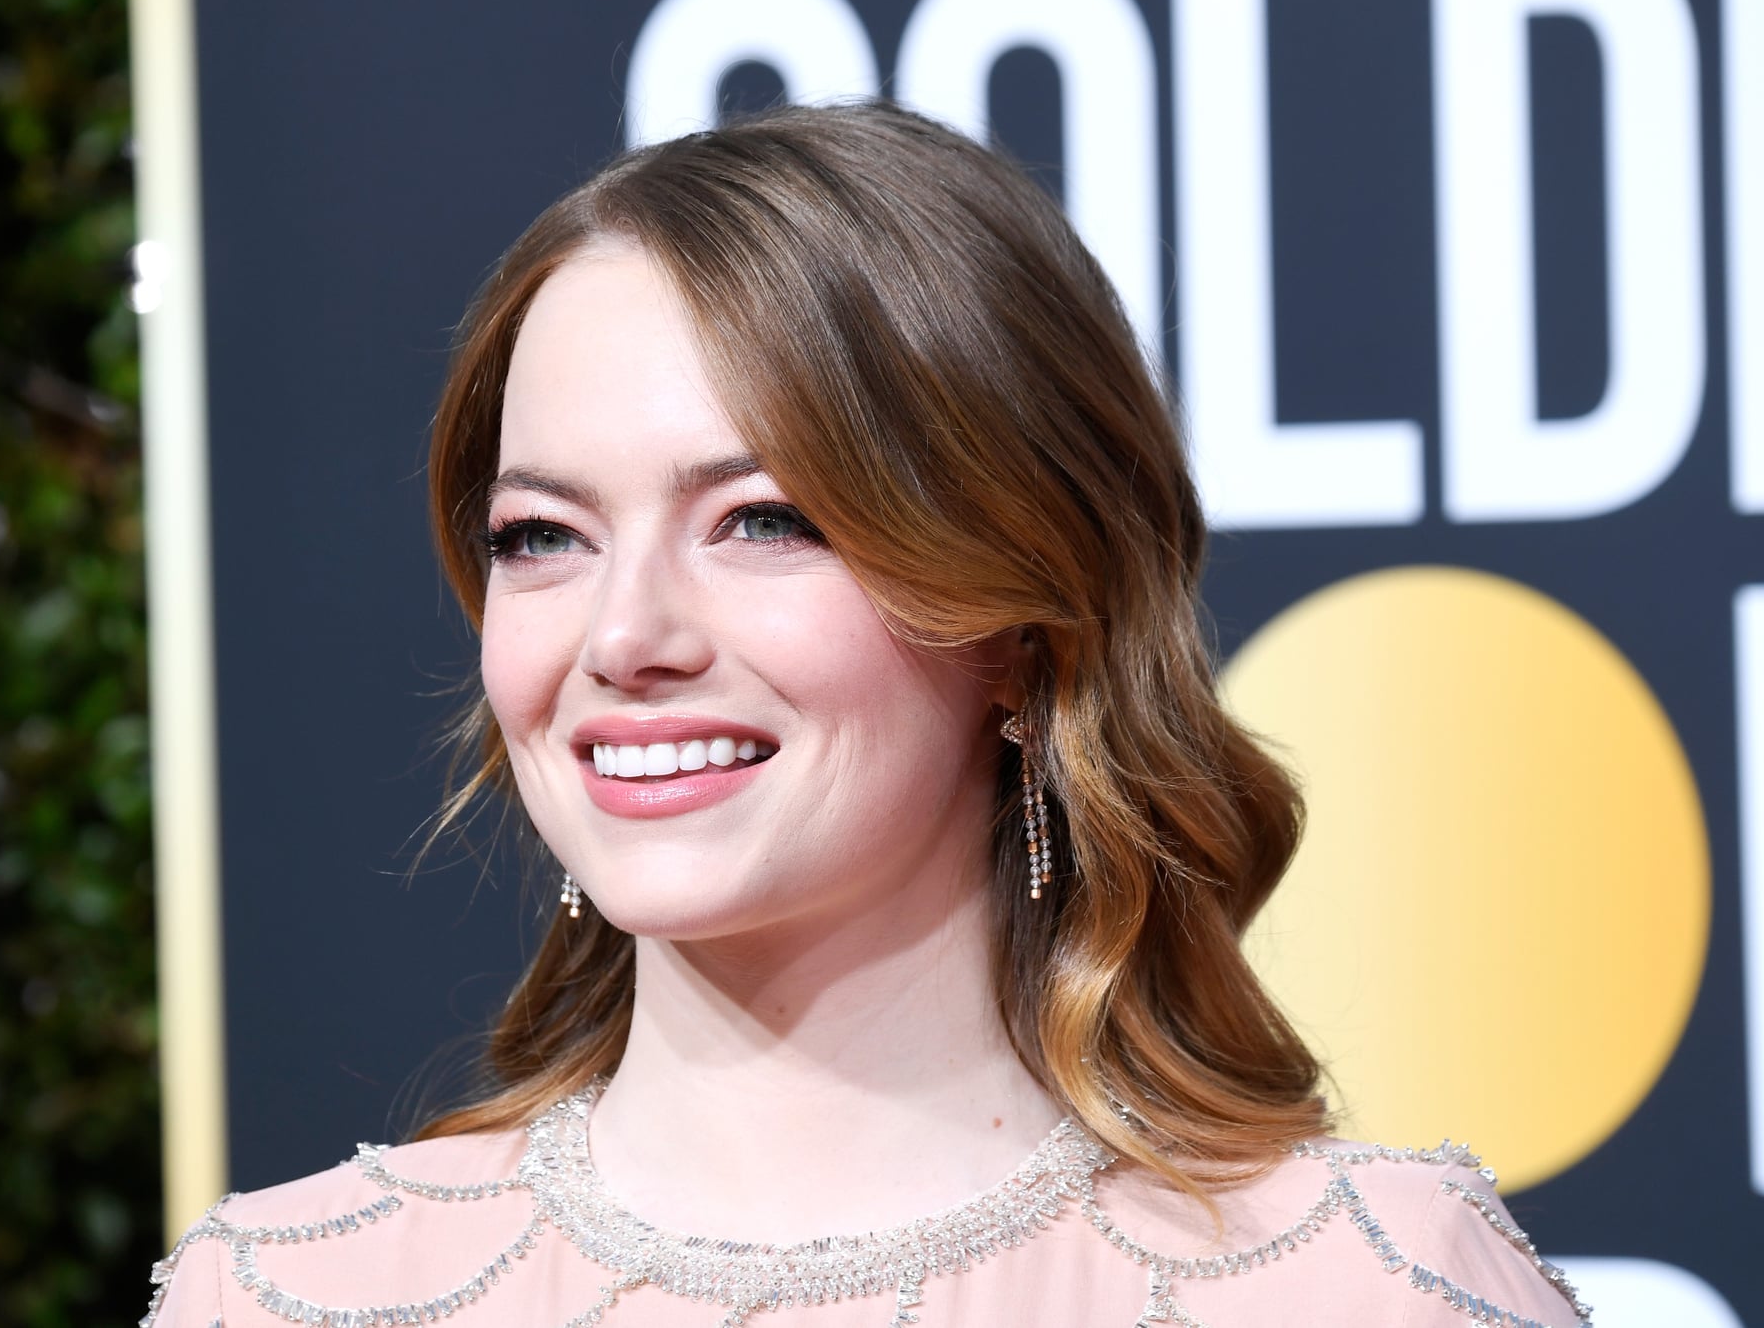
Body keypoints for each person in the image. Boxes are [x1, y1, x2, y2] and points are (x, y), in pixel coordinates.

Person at [142, 100, 1589, 1327]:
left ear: (1024, 627)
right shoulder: (287, 1295)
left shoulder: (1360, 1287)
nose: (625, 635)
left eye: (764, 519)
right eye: (543, 537)